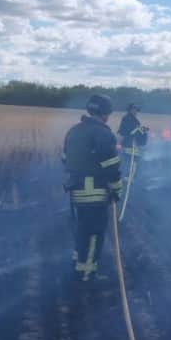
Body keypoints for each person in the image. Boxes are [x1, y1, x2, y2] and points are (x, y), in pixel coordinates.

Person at [63, 94, 122, 282]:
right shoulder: (103, 133)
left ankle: (78, 263)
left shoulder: (74, 131)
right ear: (105, 112)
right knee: (94, 233)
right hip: (94, 192)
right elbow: (111, 166)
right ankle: (86, 274)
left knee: (83, 230)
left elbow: (65, 159)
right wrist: (116, 189)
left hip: (77, 190)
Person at [117, 103, 149, 180]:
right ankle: (128, 179)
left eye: (137, 110)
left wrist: (142, 129)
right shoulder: (128, 118)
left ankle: (127, 178)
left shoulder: (130, 118)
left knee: (130, 162)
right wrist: (142, 130)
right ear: (130, 110)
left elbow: (133, 130)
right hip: (130, 144)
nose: (136, 111)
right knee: (132, 162)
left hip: (131, 143)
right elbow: (130, 131)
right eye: (134, 109)